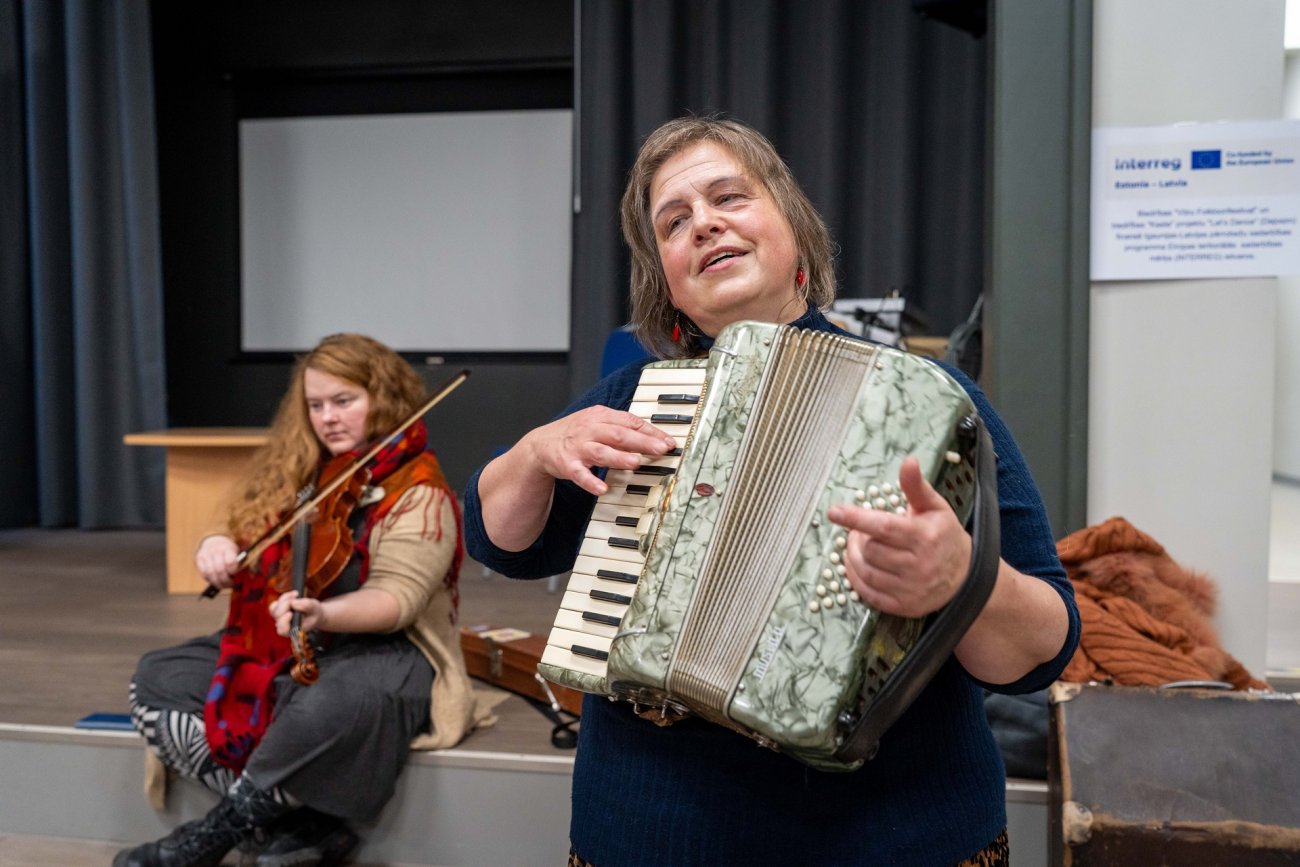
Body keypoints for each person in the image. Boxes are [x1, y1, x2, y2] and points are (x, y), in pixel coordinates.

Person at [463, 116, 1080, 866]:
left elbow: (1045, 647)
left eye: (730, 196)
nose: (706, 224)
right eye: (675, 221)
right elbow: (501, 540)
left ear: (794, 227)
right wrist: (530, 454)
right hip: (653, 833)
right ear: (664, 278)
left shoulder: (930, 401)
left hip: (894, 836)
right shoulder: (630, 400)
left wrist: (962, 582)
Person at [115, 333, 488, 867]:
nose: (328, 418)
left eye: (344, 401)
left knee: (336, 702)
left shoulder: (419, 491)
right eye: (315, 405)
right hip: (283, 645)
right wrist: (215, 545)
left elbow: (396, 601)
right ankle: (301, 824)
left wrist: (325, 612)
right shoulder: (300, 468)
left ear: (383, 398)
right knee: (158, 676)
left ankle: (214, 835)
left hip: (382, 651)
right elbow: (239, 524)